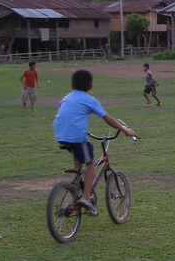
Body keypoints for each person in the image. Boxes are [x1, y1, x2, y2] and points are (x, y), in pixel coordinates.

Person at [53, 69, 136, 216]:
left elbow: (65, 114)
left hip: (61, 135)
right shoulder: (89, 100)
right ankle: (85, 198)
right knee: (90, 163)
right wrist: (125, 130)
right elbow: (108, 119)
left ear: (71, 85)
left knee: (79, 161)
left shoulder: (65, 98)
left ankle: (76, 189)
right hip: (77, 138)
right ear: (90, 87)